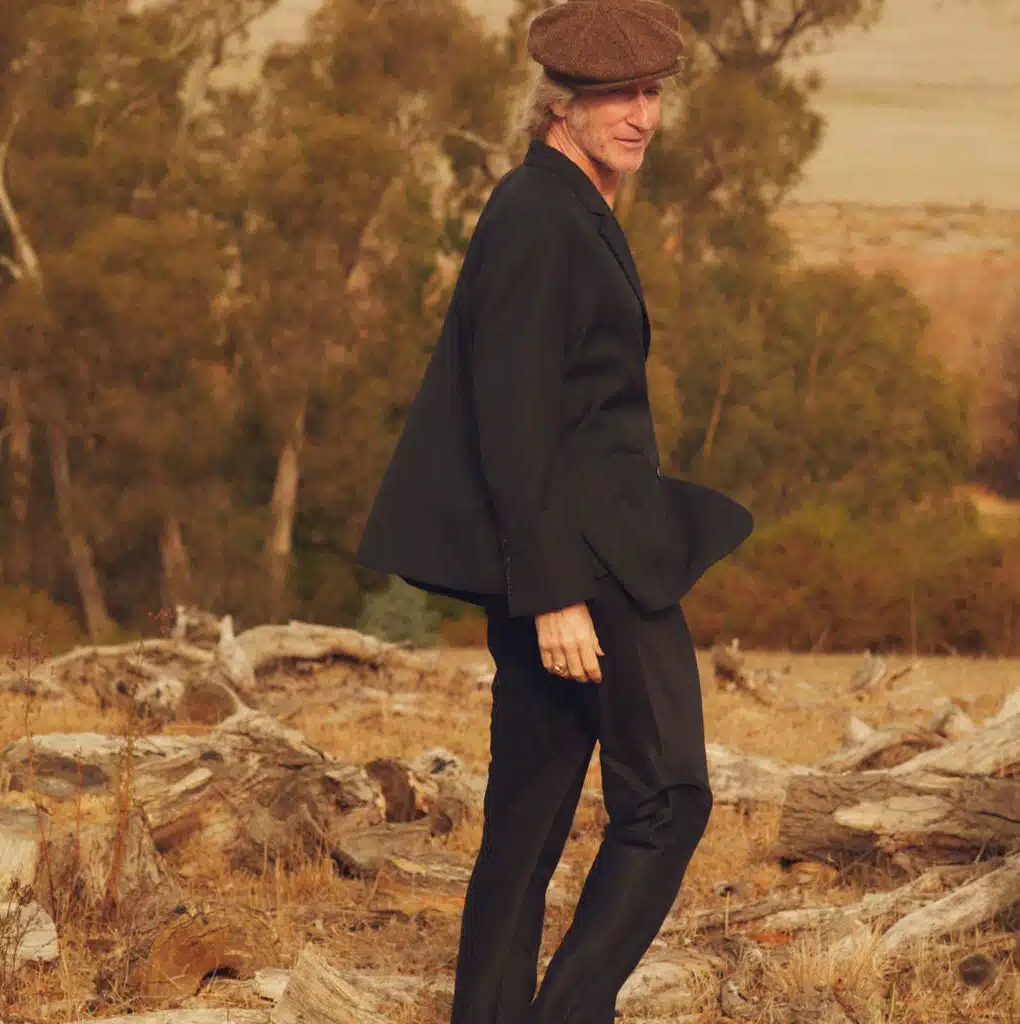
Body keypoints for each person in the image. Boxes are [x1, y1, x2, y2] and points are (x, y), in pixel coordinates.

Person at [356, 1, 754, 1020]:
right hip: (584, 565)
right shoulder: (541, 218)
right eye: (617, 95)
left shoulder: (557, 203)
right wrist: (554, 595)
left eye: (652, 93)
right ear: (559, 101)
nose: (642, 116)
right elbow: (514, 417)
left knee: (527, 824)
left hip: (563, 553)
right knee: (669, 798)